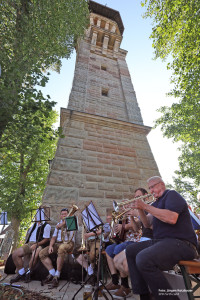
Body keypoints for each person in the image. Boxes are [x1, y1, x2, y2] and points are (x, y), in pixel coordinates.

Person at [126, 176, 198, 300]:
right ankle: (144, 296)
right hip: (163, 242)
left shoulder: (171, 195)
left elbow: (171, 218)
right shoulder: (155, 203)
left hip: (182, 243)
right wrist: (140, 210)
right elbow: (147, 224)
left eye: (153, 186)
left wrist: (145, 207)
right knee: (131, 251)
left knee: (143, 258)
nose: (151, 190)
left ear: (162, 184)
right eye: (149, 188)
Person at [104, 196, 142, 298]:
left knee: (117, 249)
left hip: (135, 241)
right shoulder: (123, 217)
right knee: (108, 249)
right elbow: (118, 233)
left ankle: (125, 286)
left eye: (125, 206)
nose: (122, 208)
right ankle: (115, 281)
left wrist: (124, 225)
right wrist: (116, 224)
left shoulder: (134, 214)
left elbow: (136, 228)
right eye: (122, 206)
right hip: (125, 241)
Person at [10, 209, 51, 284]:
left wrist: (36, 244)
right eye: (36, 214)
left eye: (38, 214)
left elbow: (46, 239)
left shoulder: (47, 225)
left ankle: (28, 273)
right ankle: (22, 273)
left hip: (40, 244)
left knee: (35, 254)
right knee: (15, 254)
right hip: (29, 244)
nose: (35, 216)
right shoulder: (33, 225)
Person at [39, 208, 75, 288]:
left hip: (68, 243)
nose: (63, 215)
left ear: (69, 215)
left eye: (65, 214)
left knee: (61, 248)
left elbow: (71, 234)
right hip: (58, 243)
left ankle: (57, 276)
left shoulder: (72, 222)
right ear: (60, 216)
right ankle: (52, 273)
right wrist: (51, 246)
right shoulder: (58, 224)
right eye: (62, 214)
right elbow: (53, 238)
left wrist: (64, 224)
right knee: (42, 253)